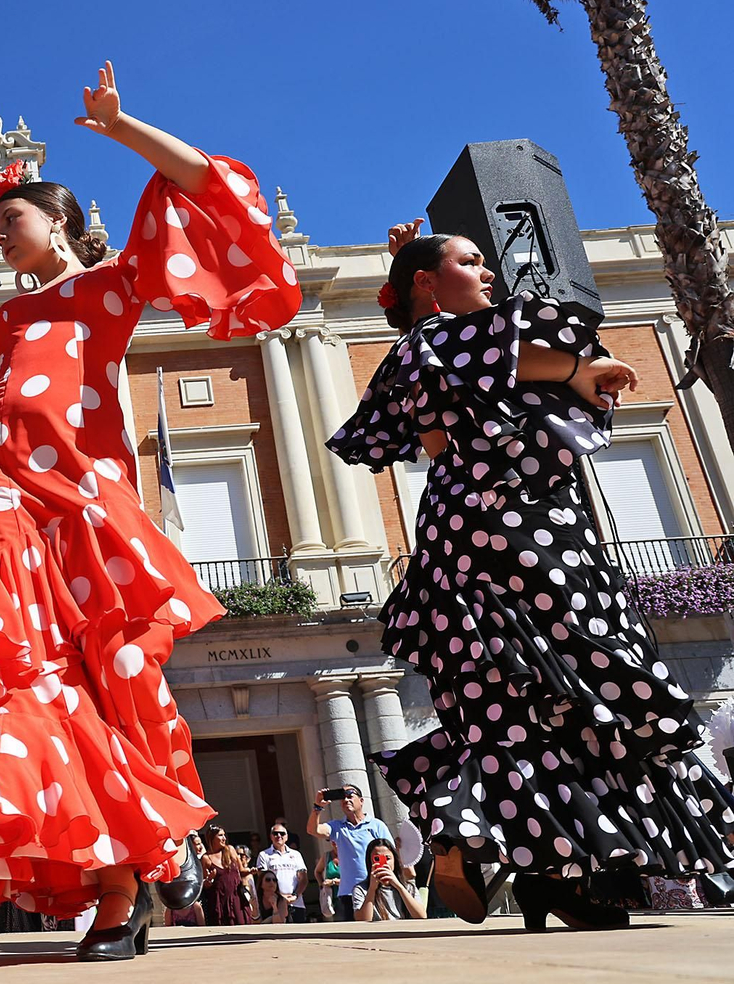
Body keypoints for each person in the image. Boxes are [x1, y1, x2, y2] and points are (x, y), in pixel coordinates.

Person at [0, 61, 300, 964]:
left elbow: (202, 187)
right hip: (10, 528)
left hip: (87, 517)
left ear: (61, 221)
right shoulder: (9, 324)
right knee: (32, 693)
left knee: (119, 677)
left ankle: (142, 852)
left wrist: (124, 126)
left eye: (13, 217)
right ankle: (116, 888)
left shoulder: (101, 293)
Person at [330, 222, 734, 929]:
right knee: (578, 678)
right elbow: (506, 352)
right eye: (470, 260)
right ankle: (540, 863)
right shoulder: (438, 341)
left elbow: (434, 440)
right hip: (513, 528)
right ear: (426, 282)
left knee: (518, 696)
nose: (487, 271)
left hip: (479, 524)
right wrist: (580, 370)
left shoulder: (422, 353)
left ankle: (524, 859)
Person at [306, 785, 390, 923]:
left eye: (350, 795)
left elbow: (389, 855)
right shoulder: (337, 827)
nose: (346, 799)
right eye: (342, 797)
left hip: (376, 889)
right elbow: (312, 830)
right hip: (348, 894)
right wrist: (317, 807)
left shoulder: (376, 825)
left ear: (361, 801)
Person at [352, 839, 424, 922]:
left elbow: (421, 916)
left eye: (387, 858)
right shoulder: (361, 889)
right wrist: (372, 889)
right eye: (377, 859)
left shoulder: (409, 887)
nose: (384, 863)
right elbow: (363, 920)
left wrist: (399, 886)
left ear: (395, 860)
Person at [255, 822, 309, 923]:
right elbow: (263, 880)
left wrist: (295, 895)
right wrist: (280, 898)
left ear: (287, 837)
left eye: (282, 833)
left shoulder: (296, 855)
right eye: (275, 833)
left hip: (296, 904)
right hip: (274, 905)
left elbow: (303, 878)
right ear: (271, 836)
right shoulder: (264, 855)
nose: (279, 836)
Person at [198, 824, 250, 926]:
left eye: (224, 835)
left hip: (236, 898)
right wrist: (210, 879)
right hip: (219, 901)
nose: (224, 838)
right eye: (221, 835)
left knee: (241, 925)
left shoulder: (230, 850)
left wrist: (251, 871)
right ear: (212, 838)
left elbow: (242, 871)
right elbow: (205, 885)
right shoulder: (206, 858)